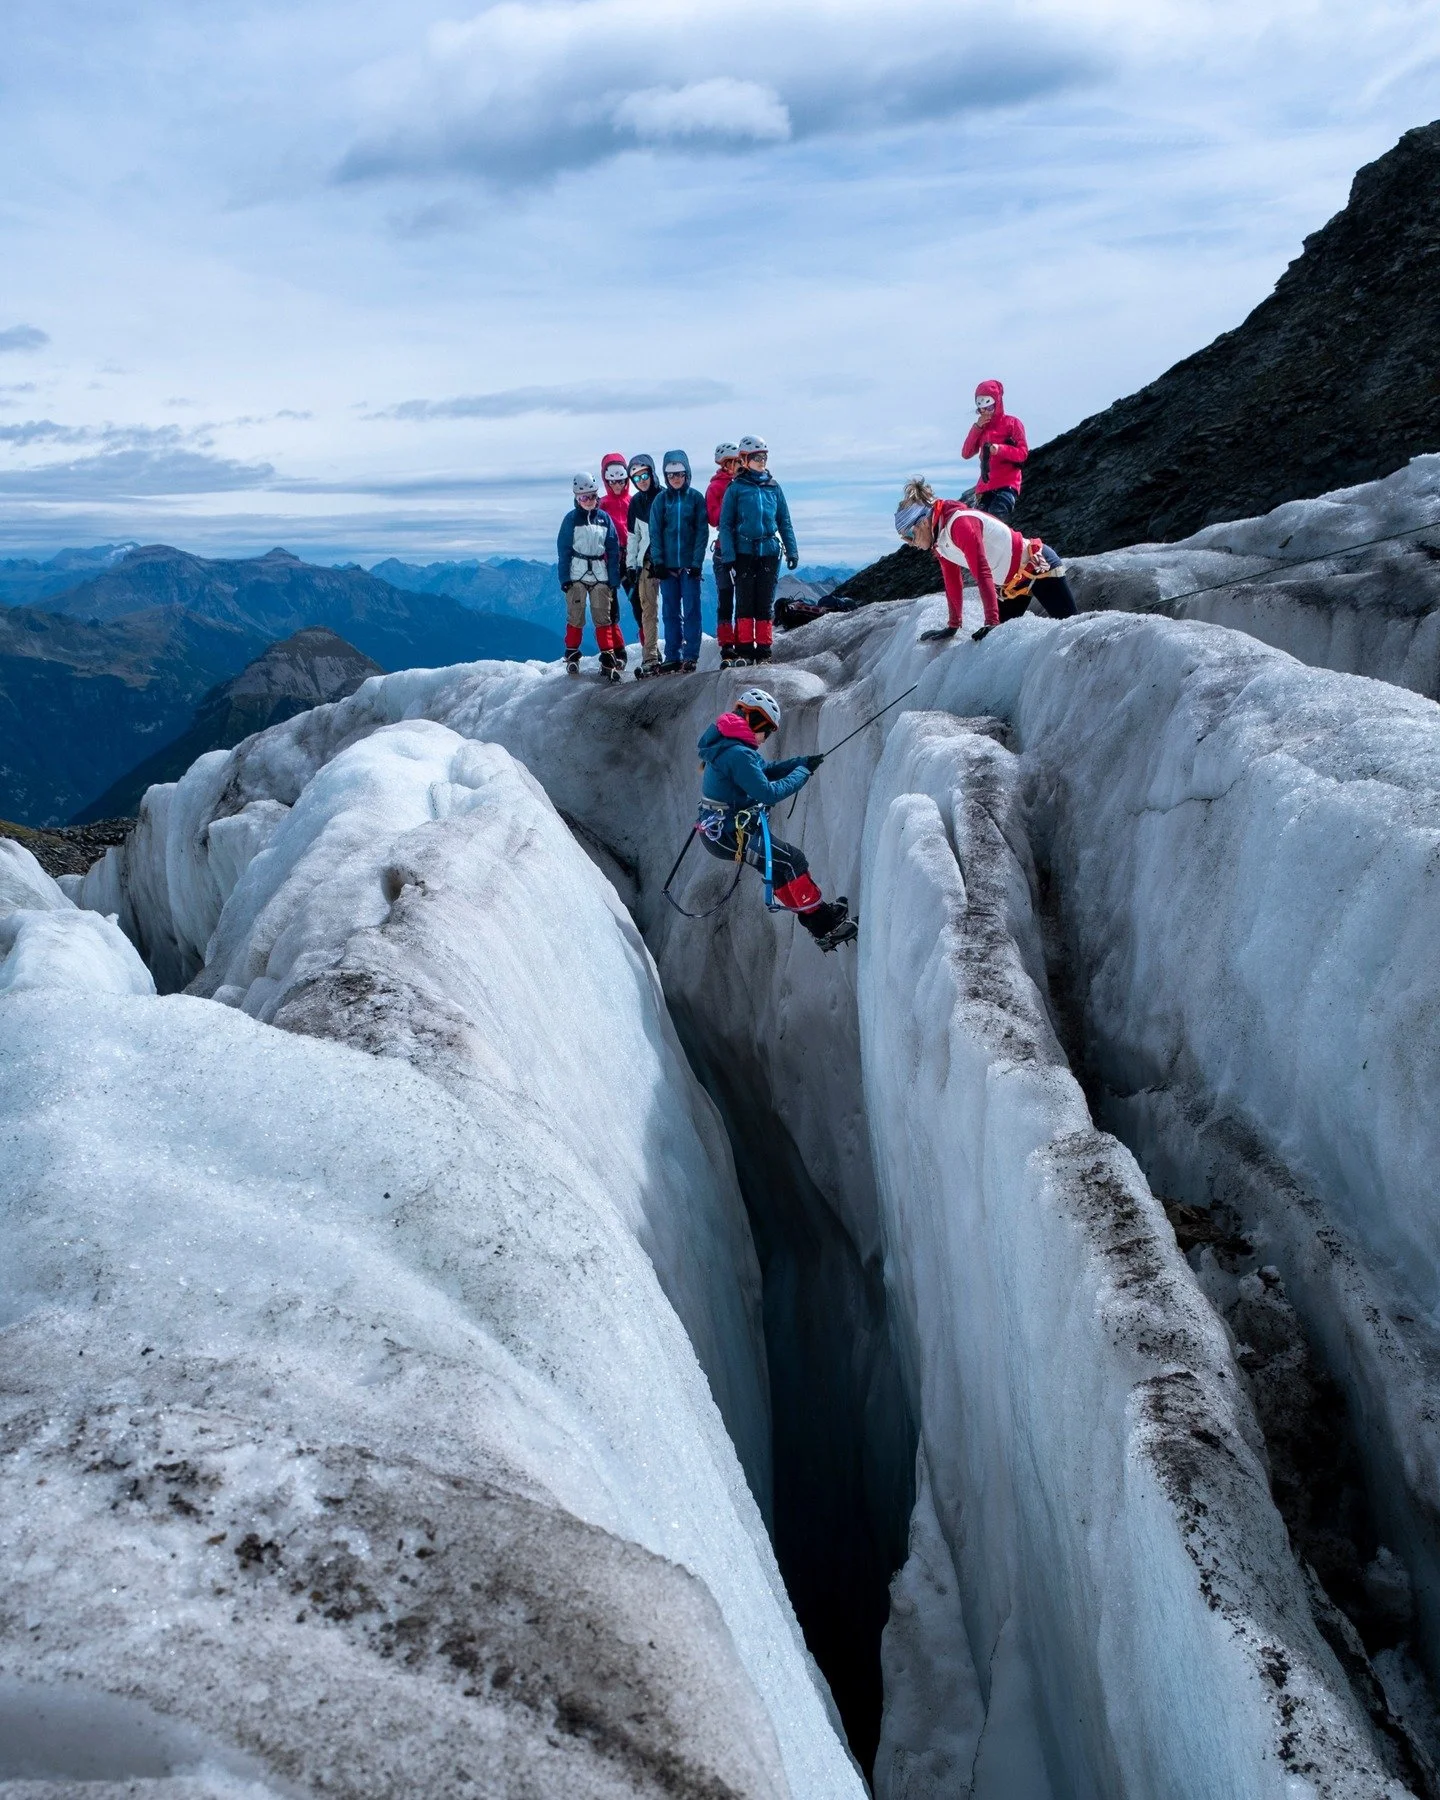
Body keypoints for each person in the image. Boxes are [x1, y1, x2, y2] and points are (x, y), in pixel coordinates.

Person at [695, 687, 857, 951]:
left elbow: (765, 770)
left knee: (781, 866)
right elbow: (768, 792)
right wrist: (802, 773)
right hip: (727, 835)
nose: (765, 738)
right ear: (755, 720)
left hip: (725, 833)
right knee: (793, 860)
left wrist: (801, 762)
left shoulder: (732, 746)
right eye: (767, 730)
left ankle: (818, 920)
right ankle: (824, 926)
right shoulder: (737, 753)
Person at [893, 477, 1076, 643]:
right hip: (1012, 586)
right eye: (904, 539)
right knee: (996, 644)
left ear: (923, 522)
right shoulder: (939, 539)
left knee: (1072, 633)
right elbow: (952, 581)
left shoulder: (959, 525)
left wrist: (991, 621)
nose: (910, 543)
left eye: (910, 535)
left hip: (1038, 567)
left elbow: (982, 570)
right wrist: (953, 626)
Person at [719, 436, 797, 665]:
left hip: (770, 552)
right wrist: (730, 557)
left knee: (764, 602)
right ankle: (744, 650)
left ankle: (763, 651)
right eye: (756, 457)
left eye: (764, 456)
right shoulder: (735, 489)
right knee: (745, 602)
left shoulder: (774, 487)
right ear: (744, 459)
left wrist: (792, 550)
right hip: (744, 552)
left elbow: (784, 520)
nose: (762, 460)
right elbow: (725, 525)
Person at [557, 473, 625, 679]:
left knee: (602, 617)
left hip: (599, 573)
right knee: (576, 616)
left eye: (592, 496)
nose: (588, 501)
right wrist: (565, 579)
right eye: (583, 497)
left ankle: (607, 656)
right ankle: (572, 654)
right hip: (577, 573)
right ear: (576, 498)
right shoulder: (570, 520)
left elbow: (614, 550)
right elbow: (563, 550)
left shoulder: (605, 519)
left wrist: (613, 579)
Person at [648, 449, 708, 672]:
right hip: (668, 568)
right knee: (670, 611)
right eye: (671, 475)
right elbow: (655, 533)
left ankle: (691, 654)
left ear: (687, 473)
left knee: (692, 610)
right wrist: (658, 562)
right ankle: (673, 654)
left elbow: (702, 532)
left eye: (680, 474)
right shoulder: (660, 501)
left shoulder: (696, 498)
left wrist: (697, 562)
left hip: (689, 567)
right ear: (665, 476)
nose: (676, 479)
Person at [960, 380, 1027, 520]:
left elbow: (1022, 454)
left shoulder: (1012, 423)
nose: (985, 412)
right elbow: (966, 453)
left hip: (1007, 485)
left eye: (989, 408)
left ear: (997, 403)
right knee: (979, 526)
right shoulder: (982, 427)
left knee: (994, 522)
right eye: (981, 409)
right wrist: (977, 428)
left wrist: (999, 449)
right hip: (984, 489)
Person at [624, 453, 662, 677]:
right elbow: (633, 537)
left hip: (668, 560)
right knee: (648, 609)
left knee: (673, 609)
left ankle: (680, 654)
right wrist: (631, 565)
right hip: (646, 562)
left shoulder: (665, 496)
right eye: (636, 479)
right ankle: (651, 657)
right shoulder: (636, 503)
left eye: (644, 475)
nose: (642, 481)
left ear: (652, 472)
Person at [707, 442, 740, 666]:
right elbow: (713, 517)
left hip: (743, 548)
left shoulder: (745, 484)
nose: (734, 466)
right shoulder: (716, 487)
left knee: (745, 600)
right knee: (726, 598)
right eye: (731, 462)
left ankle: (743, 640)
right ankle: (727, 645)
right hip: (724, 549)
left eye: (737, 461)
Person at [597, 453, 632, 669]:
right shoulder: (602, 504)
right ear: (606, 480)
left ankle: (650, 653)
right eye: (612, 480)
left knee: (641, 605)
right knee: (610, 608)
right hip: (609, 560)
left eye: (621, 480)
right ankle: (616, 651)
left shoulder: (633, 502)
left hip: (632, 558)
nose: (617, 484)